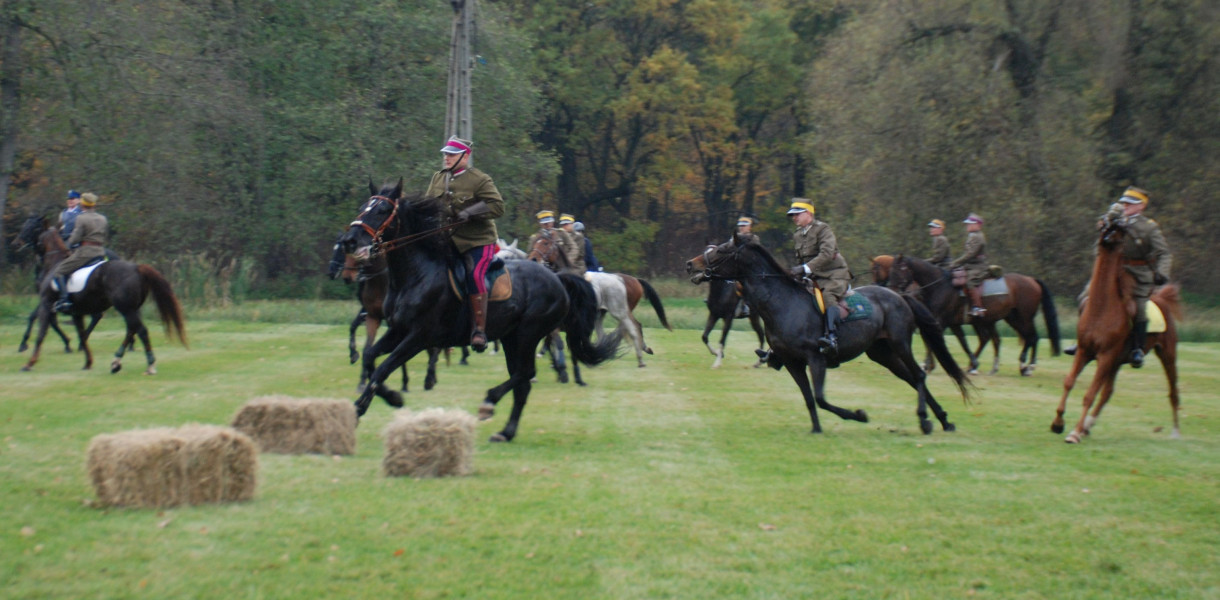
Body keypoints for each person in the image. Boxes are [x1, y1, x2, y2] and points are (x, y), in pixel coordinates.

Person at [1066, 187, 1171, 367]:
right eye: (1124, 203)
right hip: (1112, 274)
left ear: (1141, 206)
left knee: (1139, 308)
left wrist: (1162, 273)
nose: (1125, 206)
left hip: (1137, 275)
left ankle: (1137, 349)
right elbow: (1098, 247)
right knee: (1084, 298)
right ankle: (1082, 342)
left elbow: (1164, 253)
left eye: (1130, 203)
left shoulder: (1149, 227)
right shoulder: (1114, 222)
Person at [424, 136, 505, 352]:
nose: (446, 158)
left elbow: (497, 207)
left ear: (465, 156)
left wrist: (470, 212)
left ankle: (478, 330)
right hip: (447, 241)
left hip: (477, 241)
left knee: (474, 275)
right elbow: (428, 206)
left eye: (451, 154)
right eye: (445, 154)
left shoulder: (479, 179)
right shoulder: (438, 178)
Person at [787, 198, 852, 357]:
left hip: (834, 275)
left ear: (808, 213)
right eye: (793, 215)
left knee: (828, 296)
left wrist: (804, 269)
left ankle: (831, 337)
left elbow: (827, 254)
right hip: (814, 277)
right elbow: (802, 258)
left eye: (797, 214)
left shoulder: (823, 229)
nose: (794, 218)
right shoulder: (798, 234)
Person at [52, 193, 108, 313]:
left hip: (85, 253)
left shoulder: (81, 218)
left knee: (59, 271)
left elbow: (75, 238)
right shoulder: (103, 218)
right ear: (94, 205)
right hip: (100, 252)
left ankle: (64, 300)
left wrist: (67, 246)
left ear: (82, 204)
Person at [949, 213, 988, 317]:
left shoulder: (978, 237)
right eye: (967, 224)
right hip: (971, 265)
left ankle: (978, 307)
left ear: (977, 225)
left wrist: (955, 263)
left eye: (970, 224)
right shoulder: (973, 235)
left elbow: (970, 254)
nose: (968, 226)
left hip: (978, 267)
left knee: (970, 281)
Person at [732, 216, 759, 318]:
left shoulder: (754, 239)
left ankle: (746, 305)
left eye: (744, 226)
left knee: (746, 284)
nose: (741, 228)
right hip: (735, 267)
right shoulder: (734, 238)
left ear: (749, 227)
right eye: (740, 226)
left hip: (748, 268)